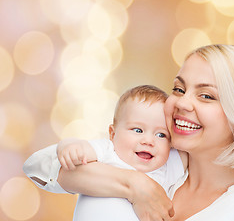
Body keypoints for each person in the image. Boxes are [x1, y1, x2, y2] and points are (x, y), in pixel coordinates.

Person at [25, 44, 234, 221]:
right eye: (179, 89)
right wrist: (135, 185)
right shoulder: (157, 155)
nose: (182, 103)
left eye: (206, 96)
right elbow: (39, 168)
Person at [23, 85, 187, 220]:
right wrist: (67, 146)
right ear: (113, 134)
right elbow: (76, 150)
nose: (148, 141)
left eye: (161, 135)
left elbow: (195, 154)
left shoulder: (165, 167)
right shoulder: (107, 151)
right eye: (138, 130)